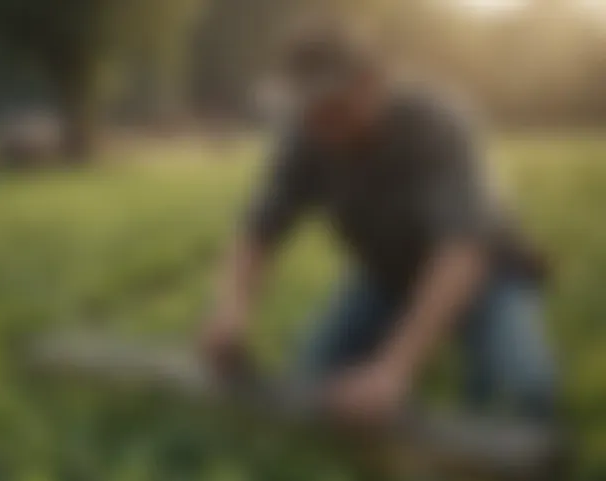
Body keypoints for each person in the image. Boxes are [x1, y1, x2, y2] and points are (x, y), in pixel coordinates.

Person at [201, 22, 557, 425]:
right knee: (311, 381)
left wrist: (394, 369)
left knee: (523, 394)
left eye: (333, 107)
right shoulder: (307, 133)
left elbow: (463, 252)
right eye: (307, 109)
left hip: (487, 275)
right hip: (386, 276)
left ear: (371, 83)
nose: (321, 123)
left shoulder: (437, 123)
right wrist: (231, 310)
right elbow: (257, 232)